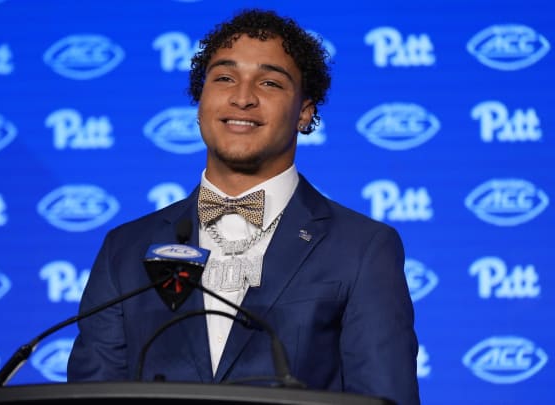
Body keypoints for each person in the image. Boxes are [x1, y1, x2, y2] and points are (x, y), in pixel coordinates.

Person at [67, 8, 420, 405]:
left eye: (269, 82)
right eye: (224, 78)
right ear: (200, 100)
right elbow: (91, 393)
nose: (242, 97)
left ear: (305, 111)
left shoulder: (362, 248)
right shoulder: (125, 248)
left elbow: (384, 398)